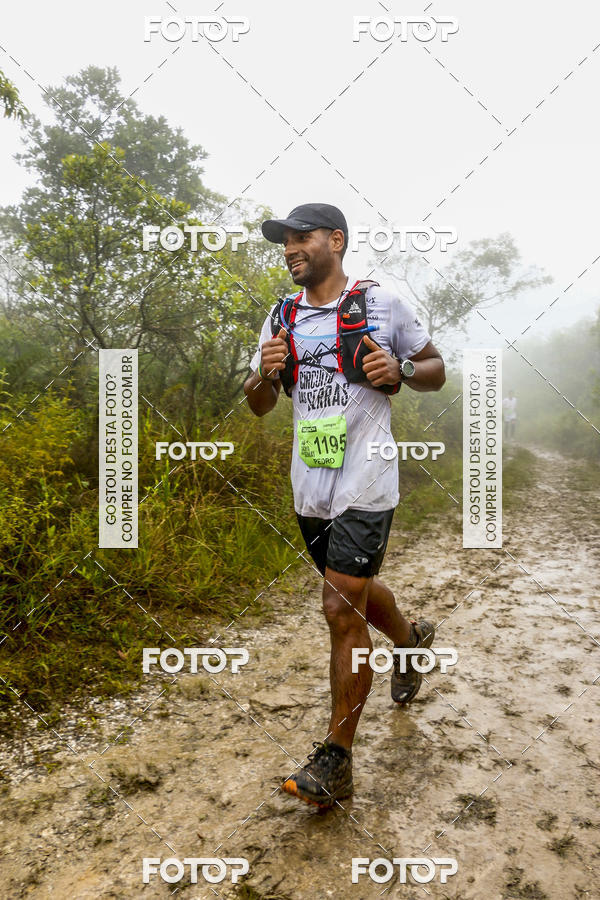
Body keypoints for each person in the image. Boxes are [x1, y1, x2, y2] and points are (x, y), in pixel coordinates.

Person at [243, 203, 446, 809]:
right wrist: (262, 377)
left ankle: (336, 761)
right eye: (285, 241)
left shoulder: (385, 300)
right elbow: (258, 404)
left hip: (367, 475)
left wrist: (404, 367)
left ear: (336, 240)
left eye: (301, 237)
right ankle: (410, 639)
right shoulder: (280, 317)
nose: (290, 249)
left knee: (338, 605)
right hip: (312, 481)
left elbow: (436, 368)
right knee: (353, 590)